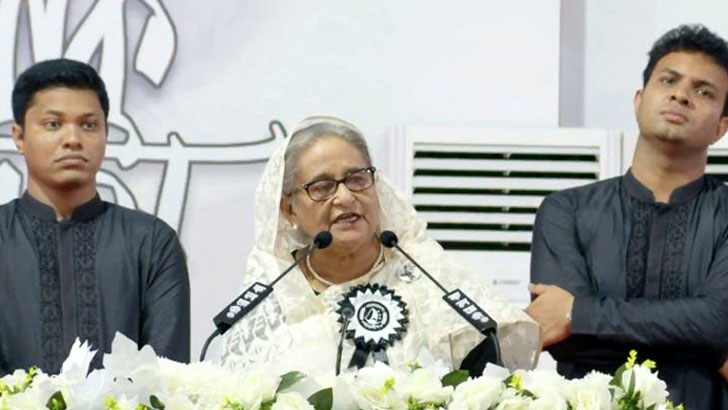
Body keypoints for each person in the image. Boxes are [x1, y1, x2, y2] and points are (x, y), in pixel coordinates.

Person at [221, 116, 540, 378]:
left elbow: (490, 378)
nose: (345, 197)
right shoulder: (276, 288)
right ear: (289, 209)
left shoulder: (428, 275)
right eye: (323, 186)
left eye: (357, 179)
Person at [527, 24, 728, 408]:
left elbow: (717, 320)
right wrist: (709, 345)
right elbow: (561, 339)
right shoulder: (566, 211)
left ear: (721, 127)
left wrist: (577, 312)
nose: (681, 95)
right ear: (639, 101)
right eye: (668, 80)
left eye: (704, 91)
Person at [0, 59, 190, 375]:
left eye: (88, 125)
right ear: (19, 137)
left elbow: (168, 376)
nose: (73, 139)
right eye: (53, 124)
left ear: (105, 133)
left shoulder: (151, 242)